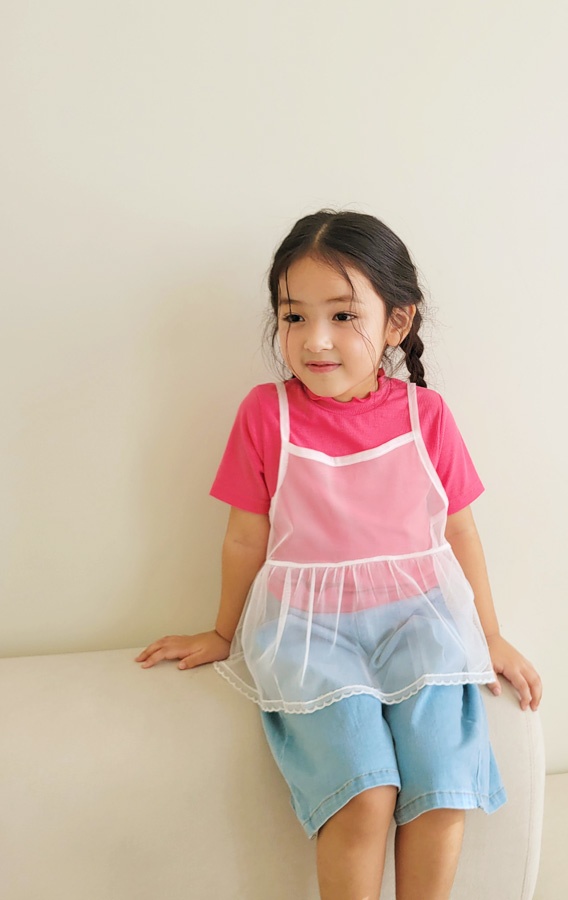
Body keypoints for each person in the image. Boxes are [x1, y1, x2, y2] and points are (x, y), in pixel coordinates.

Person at [135, 209, 542, 900]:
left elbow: (460, 532)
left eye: (343, 315)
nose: (314, 339)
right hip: (308, 633)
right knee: (363, 795)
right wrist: (224, 632)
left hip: (420, 622)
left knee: (442, 785)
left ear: (397, 322)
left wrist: (490, 634)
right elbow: (245, 537)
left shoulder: (426, 416)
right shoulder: (266, 415)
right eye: (294, 317)